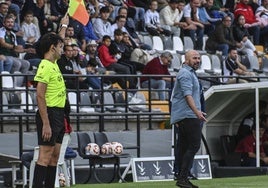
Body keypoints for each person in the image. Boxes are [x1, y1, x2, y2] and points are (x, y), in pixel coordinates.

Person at [33, 32, 66, 187]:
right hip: (50, 114)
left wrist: (64, 26)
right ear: (53, 48)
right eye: (60, 47)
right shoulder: (45, 65)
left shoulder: (53, 64)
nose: (63, 50)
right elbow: (40, 95)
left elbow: (58, 39)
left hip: (59, 114)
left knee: (54, 157)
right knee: (44, 157)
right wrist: (45, 123)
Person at [170, 50, 207, 188]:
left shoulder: (189, 73)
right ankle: (183, 177)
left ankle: (182, 177)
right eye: (194, 58)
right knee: (194, 145)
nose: (197, 60)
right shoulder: (185, 74)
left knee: (185, 147)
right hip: (188, 115)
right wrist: (197, 112)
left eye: (199, 58)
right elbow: (187, 95)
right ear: (186, 60)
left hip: (187, 115)